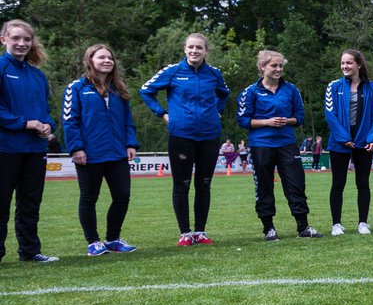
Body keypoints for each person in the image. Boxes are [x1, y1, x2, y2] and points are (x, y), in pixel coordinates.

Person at [140, 32, 230, 246]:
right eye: (191, 47)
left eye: (199, 47)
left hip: (209, 136)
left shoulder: (214, 74)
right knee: (181, 184)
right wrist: (162, 113)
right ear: (184, 49)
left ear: (206, 51)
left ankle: (200, 231)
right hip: (181, 136)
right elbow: (145, 90)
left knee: (204, 184)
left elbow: (224, 93)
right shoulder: (172, 71)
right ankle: (185, 233)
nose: (194, 51)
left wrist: (217, 111)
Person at [63, 44, 140, 256]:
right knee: (89, 198)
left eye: (110, 58)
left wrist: (131, 143)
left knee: (122, 196)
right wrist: (76, 148)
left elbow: (128, 121)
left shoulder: (119, 90)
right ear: (90, 61)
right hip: (89, 154)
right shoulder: (76, 88)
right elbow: (70, 121)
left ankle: (113, 239)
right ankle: (93, 242)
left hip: (117, 153)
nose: (107, 61)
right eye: (101, 57)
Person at [237, 50, 320, 241]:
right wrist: (267, 122)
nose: (278, 69)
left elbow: (299, 117)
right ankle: (269, 229)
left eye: (280, 66)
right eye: (274, 65)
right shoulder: (250, 92)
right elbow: (243, 120)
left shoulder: (291, 90)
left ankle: (303, 227)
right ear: (262, 67)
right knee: (264, 187)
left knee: (296, 184)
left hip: (287, 144)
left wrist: (287, 121)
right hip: (261, 145)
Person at [0, 20, 56, 263]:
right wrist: (24, 123)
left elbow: (46, 110)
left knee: (31, 203)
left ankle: (30, 251)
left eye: (26, 39)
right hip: (5, 148)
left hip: (34, 149)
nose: (22, 43)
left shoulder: (37, 75)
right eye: (16, 38)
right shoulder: (1, 67)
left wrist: (47, 125)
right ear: (4, 39)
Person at [325, 49, 373, 235]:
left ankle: (363, 223)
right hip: (340, 143)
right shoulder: (333, 86)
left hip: (364, 142)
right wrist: (343, 138)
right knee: (338, 183)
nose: (345, 66)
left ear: (358, 64)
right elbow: (330, 115)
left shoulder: (372, 87)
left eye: (349, 63)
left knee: (363, 183)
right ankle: (336, 224)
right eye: (342, 63)